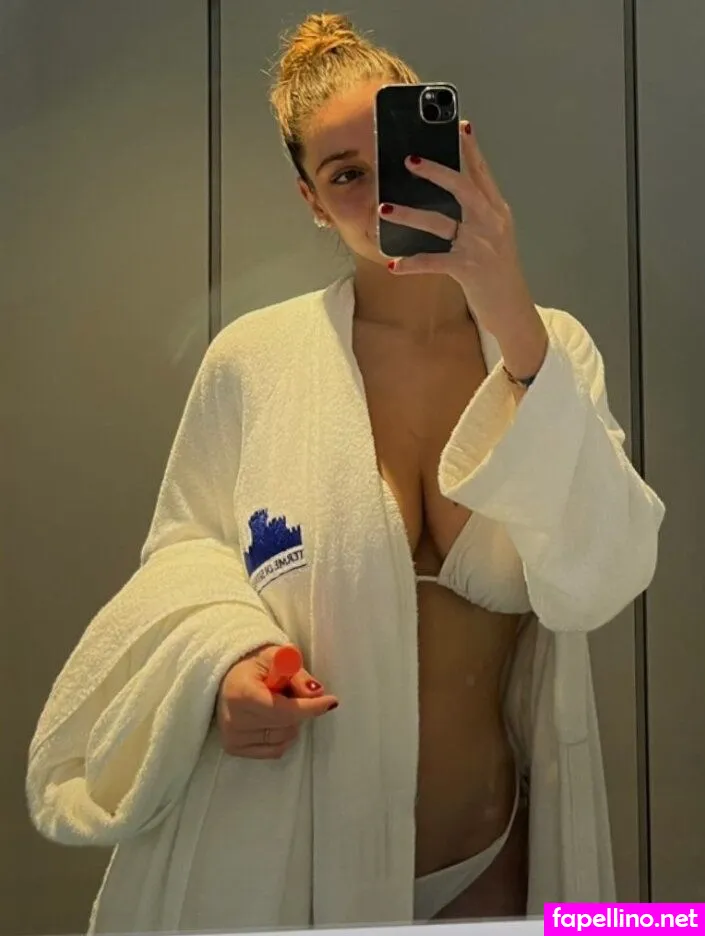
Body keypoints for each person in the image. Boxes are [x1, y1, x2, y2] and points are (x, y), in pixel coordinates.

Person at [26, 12, 665, 932]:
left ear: (453, 152)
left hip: (496, 848)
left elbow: (602, 572)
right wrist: (230, 664)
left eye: (398, 159)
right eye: (345, 176)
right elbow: (186, 554)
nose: (380, 195)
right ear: (312, 202)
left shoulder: (548, 348)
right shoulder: (255, 360)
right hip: (286, 840)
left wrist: (509, 307)